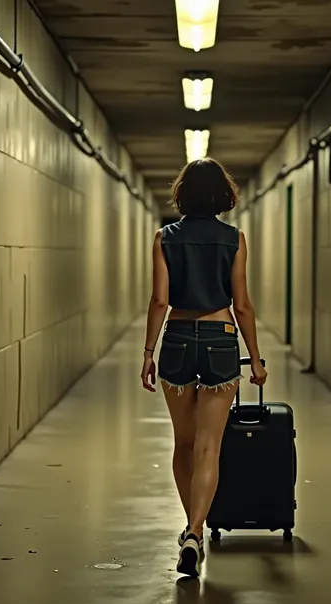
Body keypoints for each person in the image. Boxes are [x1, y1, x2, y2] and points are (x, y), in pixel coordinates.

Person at [140, 157, 267, 578]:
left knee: (184, 444)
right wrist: (257, 357)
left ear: (183, 194)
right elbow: (242, 304)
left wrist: (148, 352)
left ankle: (190, 530)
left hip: (176, 341)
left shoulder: (164, 238)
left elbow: (160, 300)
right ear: (222, 196)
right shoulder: (234, 239)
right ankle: (196, 529)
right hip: (219, 339)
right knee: (210, 445)